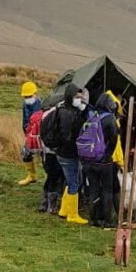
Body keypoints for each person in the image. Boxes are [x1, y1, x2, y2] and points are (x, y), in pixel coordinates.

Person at [39, 82, 89, 225]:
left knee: (73, 180)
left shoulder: (65, 109)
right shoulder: (66, 113)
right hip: (67, 154)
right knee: (74, 183)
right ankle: (72, 214)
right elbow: (67, 135)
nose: (79, 99)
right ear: (70, 97)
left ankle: (64, 209)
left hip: (62, 152)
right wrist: (75, 146)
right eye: (77, 96)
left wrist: (82, 111)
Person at [81, 93, 120, 227]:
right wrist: (108, 154)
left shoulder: (90, 116)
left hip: (88, 159)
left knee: (93, 189)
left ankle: (93, 220)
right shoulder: (110, 119)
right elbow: (114, 138)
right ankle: (107, 221)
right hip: (104, 161)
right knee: (107, 190)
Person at [18, 81, 41, 186]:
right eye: (25, 96)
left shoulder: (41, 104)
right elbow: (25, 120)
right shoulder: (25, 104)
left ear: (35, 93)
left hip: (40, 136)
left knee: (46, 159)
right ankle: (32, 176)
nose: (27, 98)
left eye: (29, 96)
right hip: (29, 134)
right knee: (25, 154)